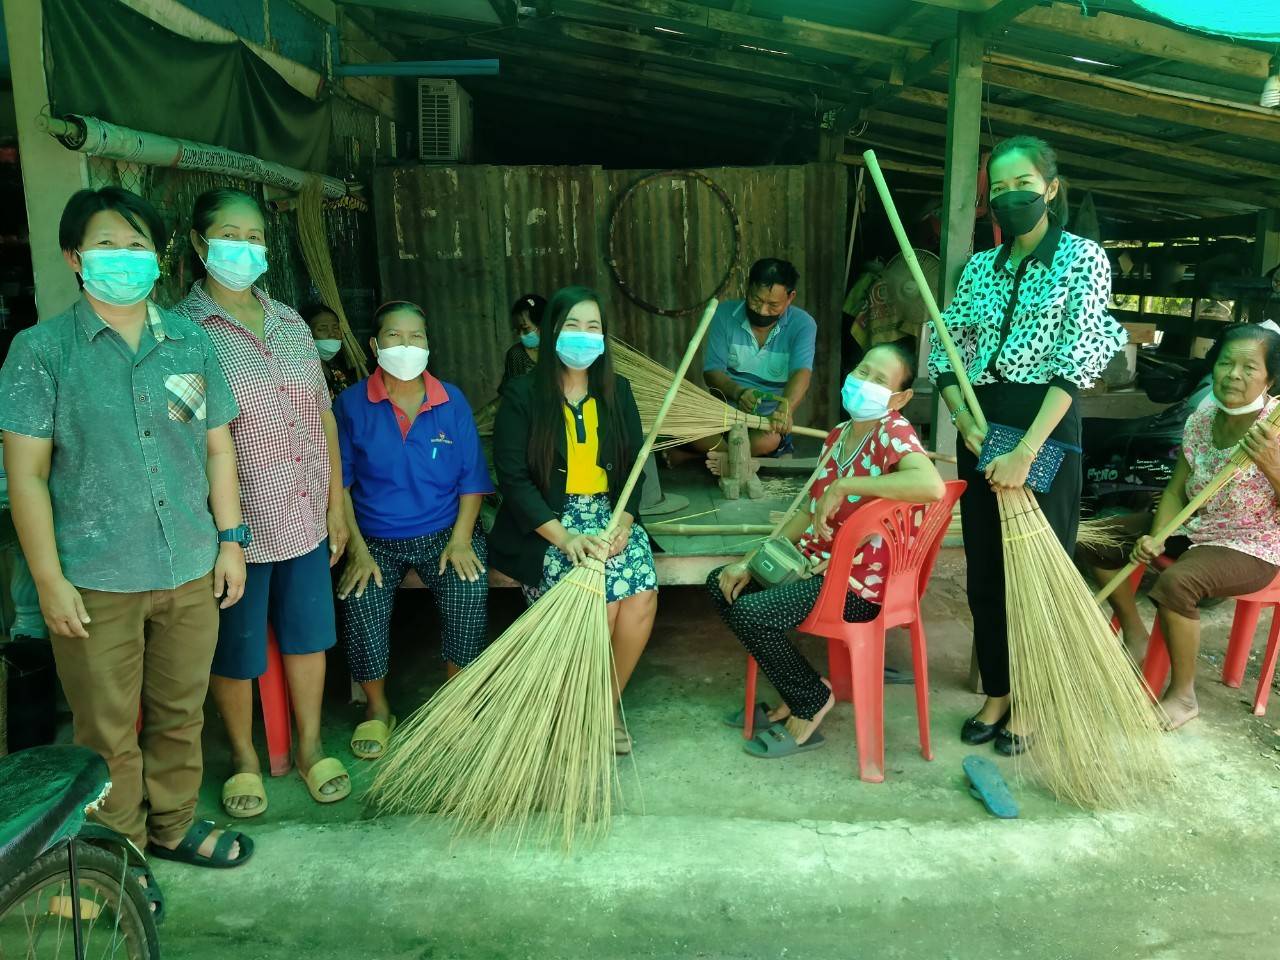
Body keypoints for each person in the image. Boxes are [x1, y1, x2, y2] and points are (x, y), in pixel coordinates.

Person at [0, 187, 252, 867]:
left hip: (191, 565)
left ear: (159, 257)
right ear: (74, 257)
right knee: (106, 730)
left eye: (137, 245)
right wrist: (48, 581)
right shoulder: (41, 351)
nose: (124, 257)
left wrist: (231, 541)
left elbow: (217, 448)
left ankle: (173, 826)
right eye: (106, 245)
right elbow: (26, 476)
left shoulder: (189, 341)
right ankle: (122, 856)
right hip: (96, 579)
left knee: (181, 713)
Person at [929, 135, 1127, 756]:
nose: (1010, 197)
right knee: (987, 571)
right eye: (1000, 188)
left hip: (1044, 423)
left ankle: (1035, 698)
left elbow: (1077, 358)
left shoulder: (1081, 258)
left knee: (1039, 572)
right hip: (981, 425)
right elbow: (946, 351)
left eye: (1024, 185)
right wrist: (963, 419)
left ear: (1051, 189)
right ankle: (998, 691)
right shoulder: (980, 268)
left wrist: (1025, 451)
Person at [175, 187, 351, 816]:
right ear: (199, 243)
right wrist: (219, 529)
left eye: (254, 238)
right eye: (229, 235)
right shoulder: (183, 332)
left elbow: (323, 417)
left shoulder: (290, 323)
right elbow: (183, 437)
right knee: (237, 648)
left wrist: (335, 505)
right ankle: (245, 759)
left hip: (304, 514)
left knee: (308, 638)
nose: (244, 248)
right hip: (234, 527)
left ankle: (309, 747)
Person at [707, 344, 945, 757]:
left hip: (857, 585)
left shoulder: (893, 431)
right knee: (723, 584)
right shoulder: (838, 436)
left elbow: (931, 486)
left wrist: (846, 485)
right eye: (863, 371)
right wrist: (751, 560)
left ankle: (810, 700)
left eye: (879, 380)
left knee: (752, 613)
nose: (863, 383)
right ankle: (801, 688)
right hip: (814, 566)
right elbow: (807, 511)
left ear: (900, 397)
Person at [1079, 323, 1280, 730]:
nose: (1233, 375)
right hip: (1196, 524)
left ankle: (1184, 696)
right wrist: (1159, 533)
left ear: (1270, 379)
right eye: (1225, 363)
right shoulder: (1203, 418)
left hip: (1252, 543)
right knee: (1093, 538)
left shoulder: (1274, 430)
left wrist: (1273, 465)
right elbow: (1175, 489)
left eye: (1248, 368)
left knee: (1177, 585)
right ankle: (1134, 633)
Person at [489, 286, 657, 754]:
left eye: (593, 327)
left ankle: (604, 705)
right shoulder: (522, 394)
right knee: (601, 600)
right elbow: (513, 479)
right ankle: (578, 706)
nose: (583, 336)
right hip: (548, 524)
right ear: (551, 332)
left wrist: (624, 521)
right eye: (572, 326)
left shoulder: (617, 391)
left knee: (641, 595)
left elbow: (634, 467)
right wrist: (564, 538)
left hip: (609, 515)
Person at [334, 301, 493, 759]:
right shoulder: (351, 404)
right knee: (359, 597)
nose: (406, 345)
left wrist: (461, 540)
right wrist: (357, 550)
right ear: (374, 345)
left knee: (468, 586)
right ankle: (377, 708)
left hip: (444, 529)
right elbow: (340, 485)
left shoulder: (451, 400)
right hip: (375, 537)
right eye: (394, 336)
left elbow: (472, 480)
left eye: (416, 337)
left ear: (428, 344)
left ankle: (454, 698)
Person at [700, 258, 817, 460]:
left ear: (790, 297)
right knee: (681, 423)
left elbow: (801, 372)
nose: (762, 310)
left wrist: (785, 408)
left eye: (773, 305)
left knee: (768, 441)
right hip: (724, 418)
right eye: (756, 300)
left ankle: (704, 456)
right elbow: (712, 372)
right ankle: (734, 456)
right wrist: (738, 392)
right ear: (748, 288)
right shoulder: (724, 314)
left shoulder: (803, 325)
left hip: (765, 423)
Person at [302, 302, 358, 398]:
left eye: (335, 327)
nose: (332, 334)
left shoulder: (337, 368)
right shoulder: (302, 375)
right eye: (322, 329)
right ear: (305, 333)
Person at [500, 293, 546, 392]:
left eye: (525, 328)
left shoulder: (561, 352)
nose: (521, 335)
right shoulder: (517, 355)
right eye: (518, 330)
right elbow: (513, 394)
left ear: (544, 324)